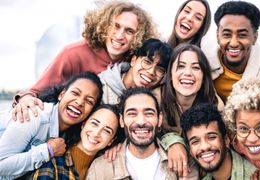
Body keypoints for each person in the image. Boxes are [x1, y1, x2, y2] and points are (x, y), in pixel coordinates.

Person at [13, 0, 158, 121]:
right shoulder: (73, 53)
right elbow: (36, 91)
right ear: (104, 25)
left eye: (129, 31)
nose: (120, 36)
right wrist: (25, 98)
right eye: (116, 26)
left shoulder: (135, 63)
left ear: (138, 38)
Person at [0, 72, 103, 179]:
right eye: (75, 93)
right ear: (61, 95)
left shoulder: (68, 134)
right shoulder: (34, 115)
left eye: (89, 101)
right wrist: (48, 150)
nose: (80, 102)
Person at [86, 87, 198, 180]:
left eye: (149, 113)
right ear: (121, 120)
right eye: (132, 114)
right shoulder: (101, 168)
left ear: (159, 119)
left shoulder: (182, 161)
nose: (141, 122)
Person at [160, 43, 220, 177]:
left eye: (196, 67)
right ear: (170, 74)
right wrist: (172, 140)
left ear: (204, 76)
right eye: (181, 66)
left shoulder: (215, 107)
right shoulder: (154, 100)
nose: (187, 73)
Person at [26, 104, 121, 180]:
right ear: (83, 125)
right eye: (94, 123)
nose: (96, 133)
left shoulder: (103, 168)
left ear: (111, 141)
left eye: (107, 131)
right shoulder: (53, 161)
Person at [181, 103, 260, 180]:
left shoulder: (258, 176)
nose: (204, 146)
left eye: (211, 137)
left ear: (226, 140)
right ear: (190, 151)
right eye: (195, 142)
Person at [99, 38, 172, 104]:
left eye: (160, 69)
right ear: (133, 60)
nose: (151, 72)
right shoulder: (101, 86)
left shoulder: (154, 102)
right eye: (147, 62)